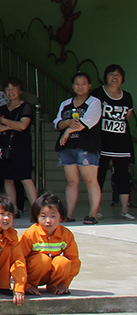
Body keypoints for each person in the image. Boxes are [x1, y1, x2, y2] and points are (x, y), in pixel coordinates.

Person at [54, 72, 103, 224]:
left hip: (86, 145)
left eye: (83, 84)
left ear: (89, 86)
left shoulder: (94, 102)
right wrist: (68, 123)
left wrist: (68, 130)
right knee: (71, 181)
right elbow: (57, 123)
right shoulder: (66, 104)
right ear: (72, 86)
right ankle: (70, 214)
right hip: (68, 146)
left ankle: (93, 214)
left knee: (90, 180)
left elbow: (88, 121)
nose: (80, 87)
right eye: (77, 84)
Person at [15, 193, 81, 296]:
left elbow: (74, 261)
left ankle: (55, 287)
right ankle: (31, 287)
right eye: (43, 216)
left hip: (52, 274)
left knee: (63, 262)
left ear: (61, 217)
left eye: (53, 216)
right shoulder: (30, 234)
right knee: (42, 259)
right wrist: (24, 285)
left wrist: (64, 284)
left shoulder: (66, 235)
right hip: (33, 273)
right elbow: (18, 259)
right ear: (36, 217)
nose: (48, 221)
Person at [92, 64, 135, 220]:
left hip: (122, 142)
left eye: (118, 74)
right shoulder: (97, 93)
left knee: (123, 176)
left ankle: (125, 209)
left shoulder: (127, 96)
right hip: (101, 142)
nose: (114, 77)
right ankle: (96, 208)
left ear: (122, 78)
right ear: (106, 77)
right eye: (111, 74)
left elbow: (126, 118)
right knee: (99, 176)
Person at [0, 77, 38, 210]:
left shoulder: (26, 106)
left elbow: (23, 125)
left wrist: (4, 122)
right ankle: (13, 209)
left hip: (21, 146)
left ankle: (37, 209)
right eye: (7, 89)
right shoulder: (2, 108)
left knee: (25, 178)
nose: (10, 92)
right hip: (5, 146)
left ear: (20, 90)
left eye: (13, 89)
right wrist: (12, 126)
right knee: (8, 178)